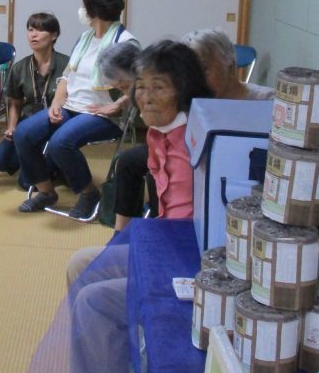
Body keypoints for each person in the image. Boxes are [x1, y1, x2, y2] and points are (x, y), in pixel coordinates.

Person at [66, 40, 212, 373]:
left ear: (183, 89)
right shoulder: (158, 131)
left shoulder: (200, 139)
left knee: (93, 301)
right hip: (165, 249)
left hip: (191, 265)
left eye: (158, 87)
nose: (144, 97)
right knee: (80, 264)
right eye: (140, 86)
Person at [109, 28, 274, 233]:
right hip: (188, 160)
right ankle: (125, 231)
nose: (194, 78)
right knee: (131, 161)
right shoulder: (186, 107)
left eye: (202, 69)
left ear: (230, 67)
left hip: (236, 178)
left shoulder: (265, 103)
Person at [16, 0, 138, 218]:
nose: (81, 10)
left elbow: (139, 84)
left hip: (102, 114)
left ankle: (89, 193)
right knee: (23, 133)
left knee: (61, 142)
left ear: (95, 9)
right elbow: (66, 76)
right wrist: (56, 103)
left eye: (84, 5)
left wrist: (117, 105)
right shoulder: (85, 38)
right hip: (71, 106)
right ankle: (46, 191)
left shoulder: (125, 43)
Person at [0, 12, 69, 190]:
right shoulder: (20, 67)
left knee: (26, 183)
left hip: (55, 124)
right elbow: (15, 103)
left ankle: (56, 167)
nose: (33, 35)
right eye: (30, 30)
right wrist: (12, 126)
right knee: (0, 161)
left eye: (40, 30)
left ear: (54, 35)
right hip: (26, 124)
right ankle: (35, 160)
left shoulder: (67, 64)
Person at [181, 28, 274, 100]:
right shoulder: (191, 105)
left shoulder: (269, 103)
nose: (196, 81)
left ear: (230, 67)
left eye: (203, 70)